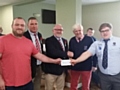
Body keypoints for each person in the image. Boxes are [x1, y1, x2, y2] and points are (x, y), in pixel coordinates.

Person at [0, 17, 61, 90]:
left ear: (25, 27)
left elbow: (40, 56)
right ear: (12, 26)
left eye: (22, 25)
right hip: (9, 84)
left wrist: (55, 61)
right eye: (17, 25)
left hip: (27, 83)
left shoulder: (28, 42)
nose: (19, 27)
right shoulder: (2, 41)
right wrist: (0, 80)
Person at [71, 23, 120, 90]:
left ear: (111, 30)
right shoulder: (96, 44)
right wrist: (76, 61)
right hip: (103, 76)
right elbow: (87, 53)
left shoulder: (118, 41)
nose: (105, 33)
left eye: (107, 30)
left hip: (117, 76)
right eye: (102, 31)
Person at [67, 24, 97, 90]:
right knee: (73, 86)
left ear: (82, 30)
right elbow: (70, 54)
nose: (78, 32)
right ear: (73, 32)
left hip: (86, 67)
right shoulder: (72, 40)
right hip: (75, 67)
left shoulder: (90, 40)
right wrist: (69, 66)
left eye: (79, 30)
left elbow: (94, 53)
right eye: (75, 31)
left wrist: (94, 65)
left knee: (86, 87)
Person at [42, 24, 69, 90]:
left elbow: (67, 56)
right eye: (57, 30)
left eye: (61, 30)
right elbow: (53, 52)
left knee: (60, 88)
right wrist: (67, 54)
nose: (59, 31)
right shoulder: (48, 40)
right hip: (50, 71)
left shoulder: (65, 41)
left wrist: (68, 67)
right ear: (53, 31)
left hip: (61, 71)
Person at [24, 17, 43, 90]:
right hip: (29, 65)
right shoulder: (24, 36)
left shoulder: (39, 35)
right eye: (32, 24)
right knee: (28, 85)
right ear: (27, 25)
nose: (34, 26)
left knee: (37, 84)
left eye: (36, 24)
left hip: (39, 64)